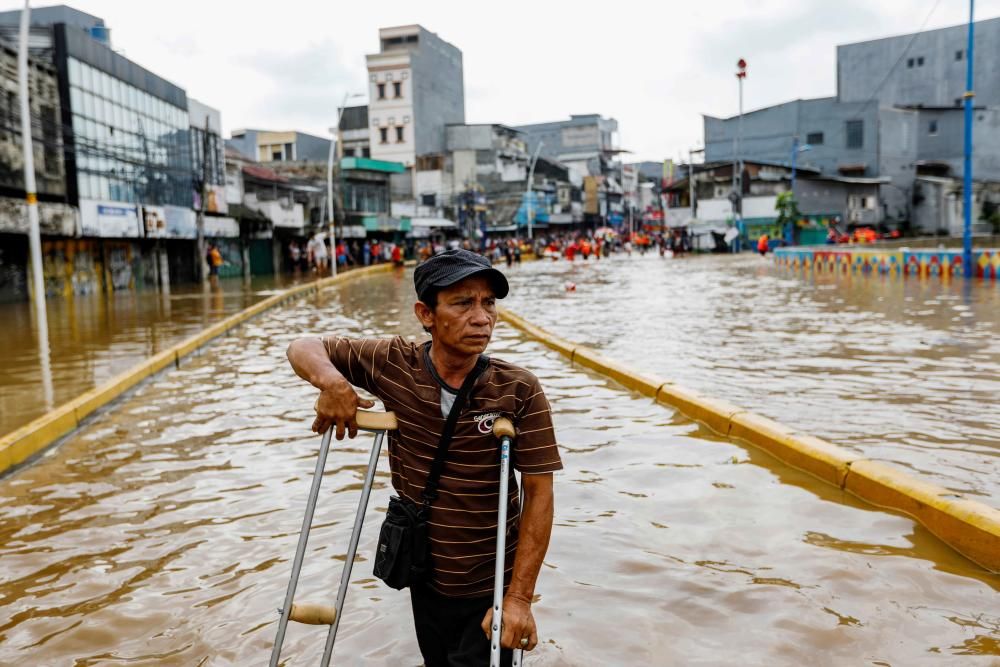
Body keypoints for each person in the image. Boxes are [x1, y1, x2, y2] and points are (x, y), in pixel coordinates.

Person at [286, 249, 561, 667]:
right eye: (463, 302)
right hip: (425, 576)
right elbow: (303, 345)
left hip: (491, 585)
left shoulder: (519, 389)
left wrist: (519, 598)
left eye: (488, 303)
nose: (482, 317)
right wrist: (334, 384)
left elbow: (540, 493)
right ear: (425, 314)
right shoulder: (395, 363)